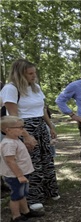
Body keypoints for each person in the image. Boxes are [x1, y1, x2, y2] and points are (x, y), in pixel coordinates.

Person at [1, 59, 59, 211]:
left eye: (35, 73)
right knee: (30, 163)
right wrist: (26, 135)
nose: (34, 76)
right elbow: (13, 116)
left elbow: (43, 110)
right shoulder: (11, 89)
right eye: (30, 73)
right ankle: (33, 198)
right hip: (22, 127)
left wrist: (50, 126)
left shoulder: (36, 87)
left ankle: (49, 191)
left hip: (40, 125)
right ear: (20, 74)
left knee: (46, 158)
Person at [0, 116, 46, 222]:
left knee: (22, 194)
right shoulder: (8, 144)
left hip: (23, 174)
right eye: (20, 127)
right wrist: (19, 175)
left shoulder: (15, 139)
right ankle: (16, 217)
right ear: (8, 130)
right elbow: (10, 161)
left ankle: (26, 211)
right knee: (16, 196)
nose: (23, 129)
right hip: (15, 175)